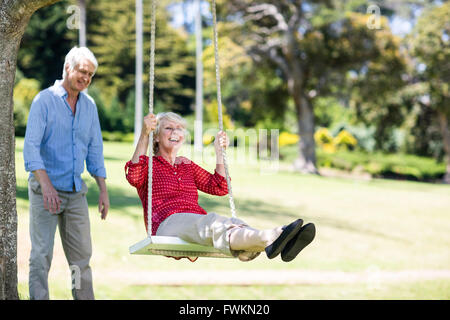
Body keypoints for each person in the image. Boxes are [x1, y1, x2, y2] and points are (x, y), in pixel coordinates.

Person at [125, 112, 315, 262]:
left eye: (180, 128)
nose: (176, 132)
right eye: (168, 128)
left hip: (195, 222)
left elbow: (220, 186)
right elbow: (134, 176)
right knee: (213, 222)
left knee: (227, 222)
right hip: (166, 224)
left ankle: (278, 241)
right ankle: (273, 236)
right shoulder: (148, 165)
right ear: (156, 137)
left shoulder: (186, 165)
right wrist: (144, 134)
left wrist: (219, 153)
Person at [23, 46, 109, 300]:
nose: (86, 78)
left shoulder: (89, 107)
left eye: (91, 74)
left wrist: (103, 190)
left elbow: (95, 149)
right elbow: (31, 149)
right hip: (44, 192)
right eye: (83, 71)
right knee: (41, 255)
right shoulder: (44, 101)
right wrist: (47, 187)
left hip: (75, 194)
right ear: (68, 68)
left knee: (80, 260)